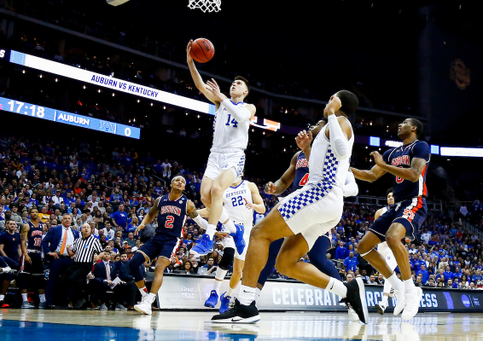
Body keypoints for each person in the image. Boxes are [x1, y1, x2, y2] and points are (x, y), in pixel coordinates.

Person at [212, 91, 368, 324]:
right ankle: (347, 291)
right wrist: (307, 148)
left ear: (338, 103)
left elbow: (342, 150)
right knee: (285, 263)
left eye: (331, 98)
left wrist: (333, 114)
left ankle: (245, 304)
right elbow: (325, 160)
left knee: (259, 233)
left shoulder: (341, 122)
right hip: (327, 204)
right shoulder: (326, 131)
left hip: (320, 194)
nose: (326, 103)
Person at [351, 118, 429, 321]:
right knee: (363, 247)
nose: (399, 125)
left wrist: (384, 165)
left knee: (393, 238)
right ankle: (397, 288)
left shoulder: (420, 146)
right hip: (396, 206)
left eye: (404, 123)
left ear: (413, 128)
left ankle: (411, 292)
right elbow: (370, 175)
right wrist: (347, 169)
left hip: (414, 201)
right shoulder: (391, 153)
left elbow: (413, 174)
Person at [187, 41, 256, 257]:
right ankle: (236, 230)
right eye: (233, 83)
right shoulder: (219, 102)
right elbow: (200, 85)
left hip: (234, 156)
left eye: (238, 84)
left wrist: (222, 97)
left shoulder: (248, 106)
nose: (234, 84)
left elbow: (241, 116)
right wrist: (190, 61)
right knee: (206, 198)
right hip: (215, 155)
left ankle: (207, 238)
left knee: (217, 190)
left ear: (245, 91)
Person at [130, 175, 209, 315]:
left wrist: (213, 229)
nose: (180, 182)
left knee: (159, 267)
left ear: (184, 187)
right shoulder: (160, 200)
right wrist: (143, 224)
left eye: (183, 182)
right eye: (177, 180)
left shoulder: (187, 203)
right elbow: (151, 214)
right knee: (134, 262)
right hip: (157, 237)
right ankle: (144, 295)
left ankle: (149, 302)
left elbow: (198, 220)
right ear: (171, 184)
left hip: (172, 240)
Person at [204, 176, 265, 313]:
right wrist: (193, 213)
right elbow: (211, 209)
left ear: (241, 171)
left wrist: (253, 206)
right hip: (230, 227)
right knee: (228, 254)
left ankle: (227, 297)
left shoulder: (250, 185)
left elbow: (262, 208)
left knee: (238, 271)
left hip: (246, 230)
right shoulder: (221, 188)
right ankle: (214, 292)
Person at [61, 222, 103, 309]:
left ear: (91, 230)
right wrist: (68, 249)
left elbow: (101, 252)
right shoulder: (77, 240)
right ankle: (76, 298)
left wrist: (98, 256)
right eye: (84, 227)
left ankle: (77, 298)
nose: (86, 229)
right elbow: (71, 253)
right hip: (76, 264)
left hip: (86, 265)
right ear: (81, 229)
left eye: (88, 227)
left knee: (72, 278)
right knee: (63, 278)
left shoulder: (94, 240)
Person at [42, 213, 80, 308]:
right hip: (57, 258)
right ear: (61, 220)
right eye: (65, 218)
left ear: (71, 220)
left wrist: (75, 254)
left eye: (69, 219)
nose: (67, 220)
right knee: (52, 280)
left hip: (69, 259)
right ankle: (49, 302)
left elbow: (77, 245)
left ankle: (65, 302)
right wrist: (49, 252)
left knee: (68, 281)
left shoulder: (75, 232)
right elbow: (45, 241)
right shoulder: (55, 229)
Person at [19, 207, 46, 309]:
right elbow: (23, 241)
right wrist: (25, 254)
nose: (35, 214)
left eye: (36, 212)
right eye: (32, 212)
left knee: (39, 277)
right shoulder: (26, 225)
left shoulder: (41, 226)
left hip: (38, 254)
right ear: (29, 214)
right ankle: (25, 301)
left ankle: (42, 301)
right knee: (24, 277)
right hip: (29, 252)